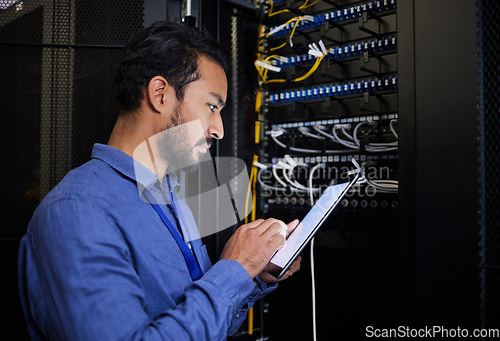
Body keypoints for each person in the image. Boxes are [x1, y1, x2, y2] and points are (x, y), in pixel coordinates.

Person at [18, 21, 301, 340]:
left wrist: (250, 277)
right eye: (211, 106)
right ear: (160, 94)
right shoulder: (76, 212)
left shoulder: (173, 196)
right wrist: (233, 270)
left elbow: (205, 326)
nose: (218, 130)